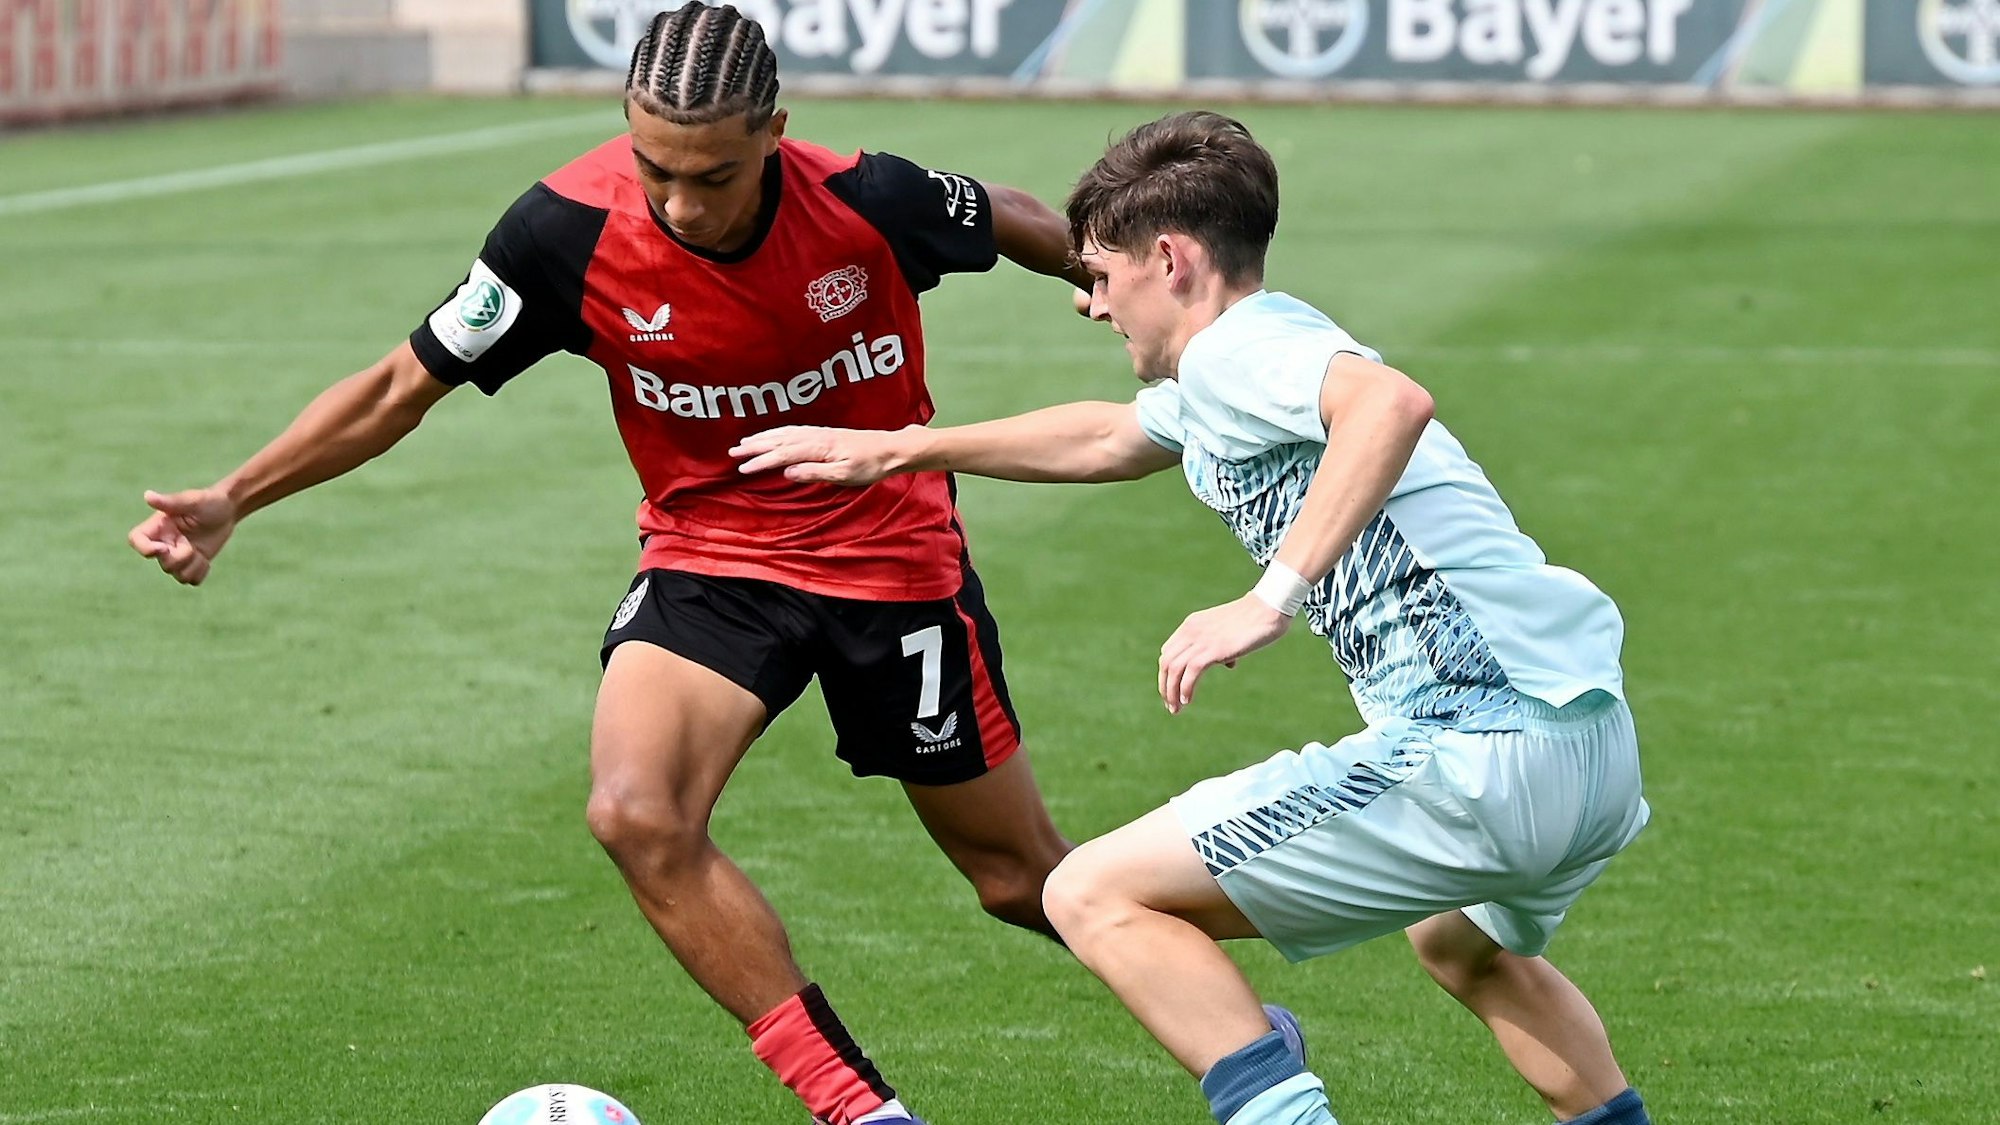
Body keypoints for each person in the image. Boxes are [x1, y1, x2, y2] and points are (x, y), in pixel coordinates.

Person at [125, 7, 1089, 1124]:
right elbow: (402, 385)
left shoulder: (868, 199)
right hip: (710, 561)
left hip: (889, 562)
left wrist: (1097, 271)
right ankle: (863, 1113)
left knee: (1018, 881)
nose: (680, 201)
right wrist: (235, 495)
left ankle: (1252, 951)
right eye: (656, 167)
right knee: (636, 813)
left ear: (775, 131)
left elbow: (1006, 213)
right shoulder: (563, 232)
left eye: (713, 175)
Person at [732, 109, 1654, 1125]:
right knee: (1458, 944)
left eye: (1097, 273)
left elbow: (1387, 405)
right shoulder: (1239, 367)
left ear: (1167, 259)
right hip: (1587, 750)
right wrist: (897, 450)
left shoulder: (1240, 351)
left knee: (1091, 894)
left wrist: (1266, 600)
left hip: (1485, 748)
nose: (1088, 305)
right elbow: (1107, 438)